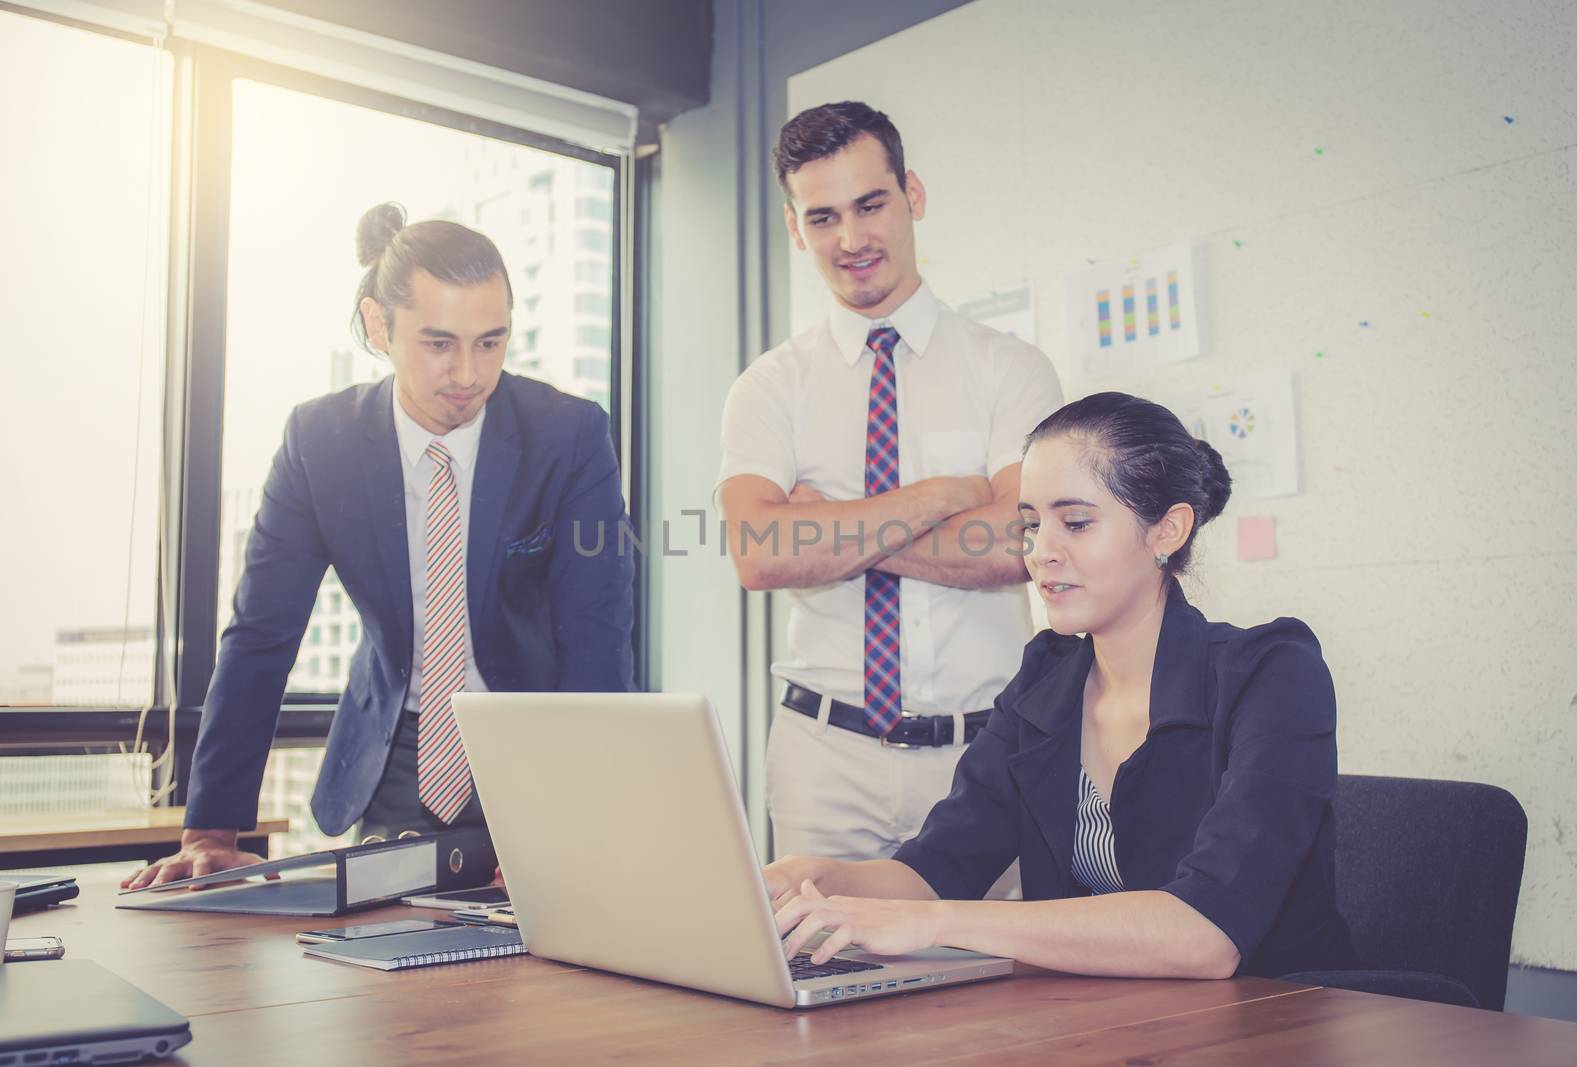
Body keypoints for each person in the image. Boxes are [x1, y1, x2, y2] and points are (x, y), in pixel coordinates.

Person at [763, 392, 1358, 980]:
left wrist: (935, 923)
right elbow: (937, 869)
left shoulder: (1273, 672)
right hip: (1107, 1020)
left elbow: (1207, 936)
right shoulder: (1047, 680)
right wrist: (816, 878)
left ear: (1167, 531)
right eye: (1030, 525)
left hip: (1272, 1020)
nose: (1040, 552)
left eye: (1074, 522)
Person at [124, 203, 634, 888]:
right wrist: (213, 828)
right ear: (378, 325)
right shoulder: (321, 443)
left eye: (491, 341)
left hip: (540, 752)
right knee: (385, 971)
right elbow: (262, 633)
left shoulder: (568, 437)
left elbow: (597, 636)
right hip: (401, 758)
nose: (468, 373)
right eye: (438, 342)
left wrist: (569, 816)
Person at [715, 102, 1063, 878]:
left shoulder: (1010, 369)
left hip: (987, 753)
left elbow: (1022, 542)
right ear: (795, 227)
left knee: (999, 993)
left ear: (913, 193)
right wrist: (943, 494)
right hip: (821, 761)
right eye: (824, 216)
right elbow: (760, 552)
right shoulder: (769, 387)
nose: (851, 238)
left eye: (871, 204)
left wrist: (833, 535)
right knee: (815, 980)